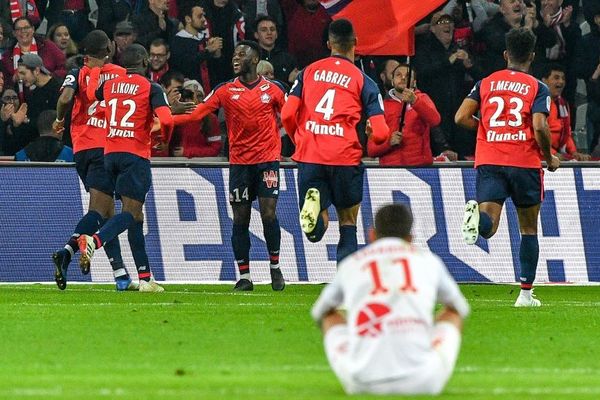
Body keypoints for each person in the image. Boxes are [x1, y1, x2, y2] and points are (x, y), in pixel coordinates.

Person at [311, 203, 470, 395]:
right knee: (452, 313)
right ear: (410, 238)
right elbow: (460, 308)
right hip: (424, 381)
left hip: (361, 382)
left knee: (329, 316)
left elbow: (319, 311)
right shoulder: (429, 261)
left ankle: (360, 356)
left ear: (372, 235)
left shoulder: (351, 264)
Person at [455, 27, 560, 307]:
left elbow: (460, 116)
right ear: (532, 56)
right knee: (528, 229)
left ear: (505, 54)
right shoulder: (538, 87)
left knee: (488, 227)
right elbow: (539, 125)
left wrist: (487, 130)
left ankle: (476, 219)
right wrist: (549, 157)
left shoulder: (486, 82)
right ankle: (525, 294)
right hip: (523, 162)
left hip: (490, 160)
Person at [173, 40, 286, 292]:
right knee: (240, 219)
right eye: (234, 54)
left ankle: (275, 267)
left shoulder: (274, 89)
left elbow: (290, 115)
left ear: (255, 59)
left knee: (268, 214)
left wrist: (300, 144)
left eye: (241, 54)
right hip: (239, 164)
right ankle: (245, 276)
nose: (236, 58)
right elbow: (198, 114)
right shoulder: (224, 90)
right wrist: (170, 115)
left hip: (267, 160)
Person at [281, 19, 390, 263]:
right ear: (355, 43)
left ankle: (316, 212)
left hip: (310, 153)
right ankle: (345, 277)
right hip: (344, 155)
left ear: (329, 43)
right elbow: (382, 134)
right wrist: (373, 133)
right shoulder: (365, 81)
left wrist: (298, 139)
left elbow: (287, 114)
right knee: (348, 222)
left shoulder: (307, 72)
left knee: (316, 230)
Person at [77, 44, 174, 293]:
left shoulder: (110, 85)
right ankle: (94, 240)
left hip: (109, 154)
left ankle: (145, 278)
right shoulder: (151, 87)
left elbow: (91, 94)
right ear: (143, 62)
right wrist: (164, 137)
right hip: (134, 154)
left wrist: (96, 71)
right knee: (131, 213)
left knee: (136, 219)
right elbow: (166, 119)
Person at [52, 30, 137, 291]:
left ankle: (121, 275)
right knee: (99, 212)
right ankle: (65, 253)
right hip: (106, 148)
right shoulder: (120, 73)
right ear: (109, 49)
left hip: (81, 149)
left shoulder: (77, 72)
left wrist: (59, 120)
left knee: (108, 209)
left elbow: (65, 98)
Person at [367, 64, 441, 166]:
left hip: (419, 169)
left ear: (414, 82)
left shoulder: (422, 99)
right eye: (398, 75)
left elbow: (435, 120)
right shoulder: (381, 107)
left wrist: (415, 101)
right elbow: (371, 150)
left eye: (408, 75)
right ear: (392, 81)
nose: (403, 78)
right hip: (390, 172)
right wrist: (389, 143)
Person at [541, 63, 590, 161]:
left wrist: (574, 153)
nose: (561, 81)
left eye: (563, 78)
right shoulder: (538, 104)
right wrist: (552, 154)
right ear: (544, 81)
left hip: (557, 155)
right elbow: (535, 137)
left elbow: (566, 134)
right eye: (556, 78)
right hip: (541, 156)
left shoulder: (563, 104)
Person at [1, 17, 66, 80]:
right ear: (14, 33)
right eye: (18, 29)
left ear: (33, 29)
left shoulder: (47, 46)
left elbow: (64, 67)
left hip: (49, 88)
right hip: (19, 90)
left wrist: (49, 78)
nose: (23, 31)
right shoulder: (7, 56)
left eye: (26, 28)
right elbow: (6, 80)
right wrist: (12, 84)